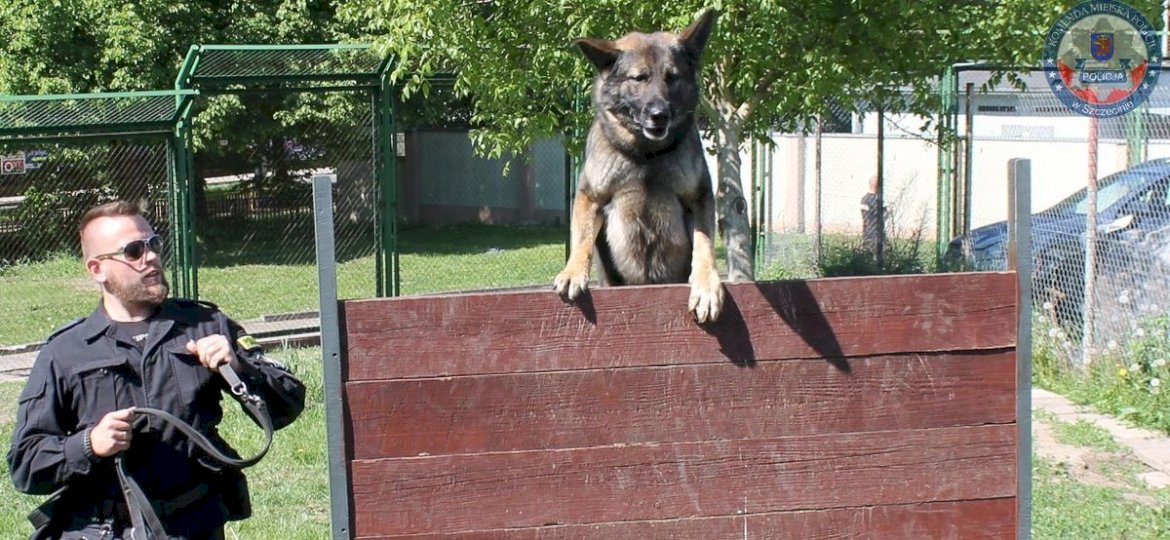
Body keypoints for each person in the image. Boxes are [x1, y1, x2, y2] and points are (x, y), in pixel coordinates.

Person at [7, 200, 306, 539]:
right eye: (133, 251)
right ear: (97, 269)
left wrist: (239, 366)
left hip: (194, 527)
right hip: (103, 529)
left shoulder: (203, 324)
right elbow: (25, 465)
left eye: (153, 244)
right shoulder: (66, 352)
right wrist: (89, 444)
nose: (150, 257)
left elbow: (288, 404)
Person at [860, 175, 887, 261]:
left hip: (867, 232)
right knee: (884, 254)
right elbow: (883, 215)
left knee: (868, 255)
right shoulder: (877, 200)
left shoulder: (864, 199)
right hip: (877, 233)